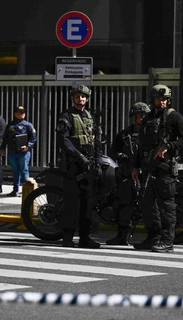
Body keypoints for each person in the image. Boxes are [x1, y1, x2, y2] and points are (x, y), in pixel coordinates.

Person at [132, 84, 183, 252]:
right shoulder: (148, 118)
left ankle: (167, 241)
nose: (162, 102)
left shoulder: (175, 117)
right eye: (159, 99)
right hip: (148, 169)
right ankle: (153, 238)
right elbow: (141, 145)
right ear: (153, 100)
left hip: (164, 169)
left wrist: (168, 146)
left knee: (167, 207)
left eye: (165, 99)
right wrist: (136, 166)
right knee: (148, 206)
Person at [55, 84, 101, 248]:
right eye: (77, 96)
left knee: (87, 202)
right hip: (72, 165)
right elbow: (63, 140)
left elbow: (95, 140)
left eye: (83, 96)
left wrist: (96, 160)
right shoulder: (66, 116)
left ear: (87, 98)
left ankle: (84, 237)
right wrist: (79, 156)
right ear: (73, 98)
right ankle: (67, 238)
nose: (80, 99)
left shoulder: (90, 116)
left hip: (88, 165)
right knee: (72, 202)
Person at [106, 102, 150, 245]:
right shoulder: (125, 134)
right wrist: (122, 157)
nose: (142, 118)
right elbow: (113, 151)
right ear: (134, 116)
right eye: (139, 115)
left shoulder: (151, 134)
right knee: (125, 205)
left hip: (146, 175)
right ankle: (122, 236)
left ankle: (152, 236)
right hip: (126, 175)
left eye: (144, 115)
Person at [1, 105, 37, 197]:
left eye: (23, 112)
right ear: (15, 114)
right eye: (20, 112)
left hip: (23, 152)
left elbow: (33, 137)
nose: (22, 114)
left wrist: (28, 146)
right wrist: (2, 148)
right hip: (12, 151)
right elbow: (5, 137)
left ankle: (27, 191)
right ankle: (15, 190)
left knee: (24, 171)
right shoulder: (10, 125)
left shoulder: (28, 125)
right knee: (15, 171)